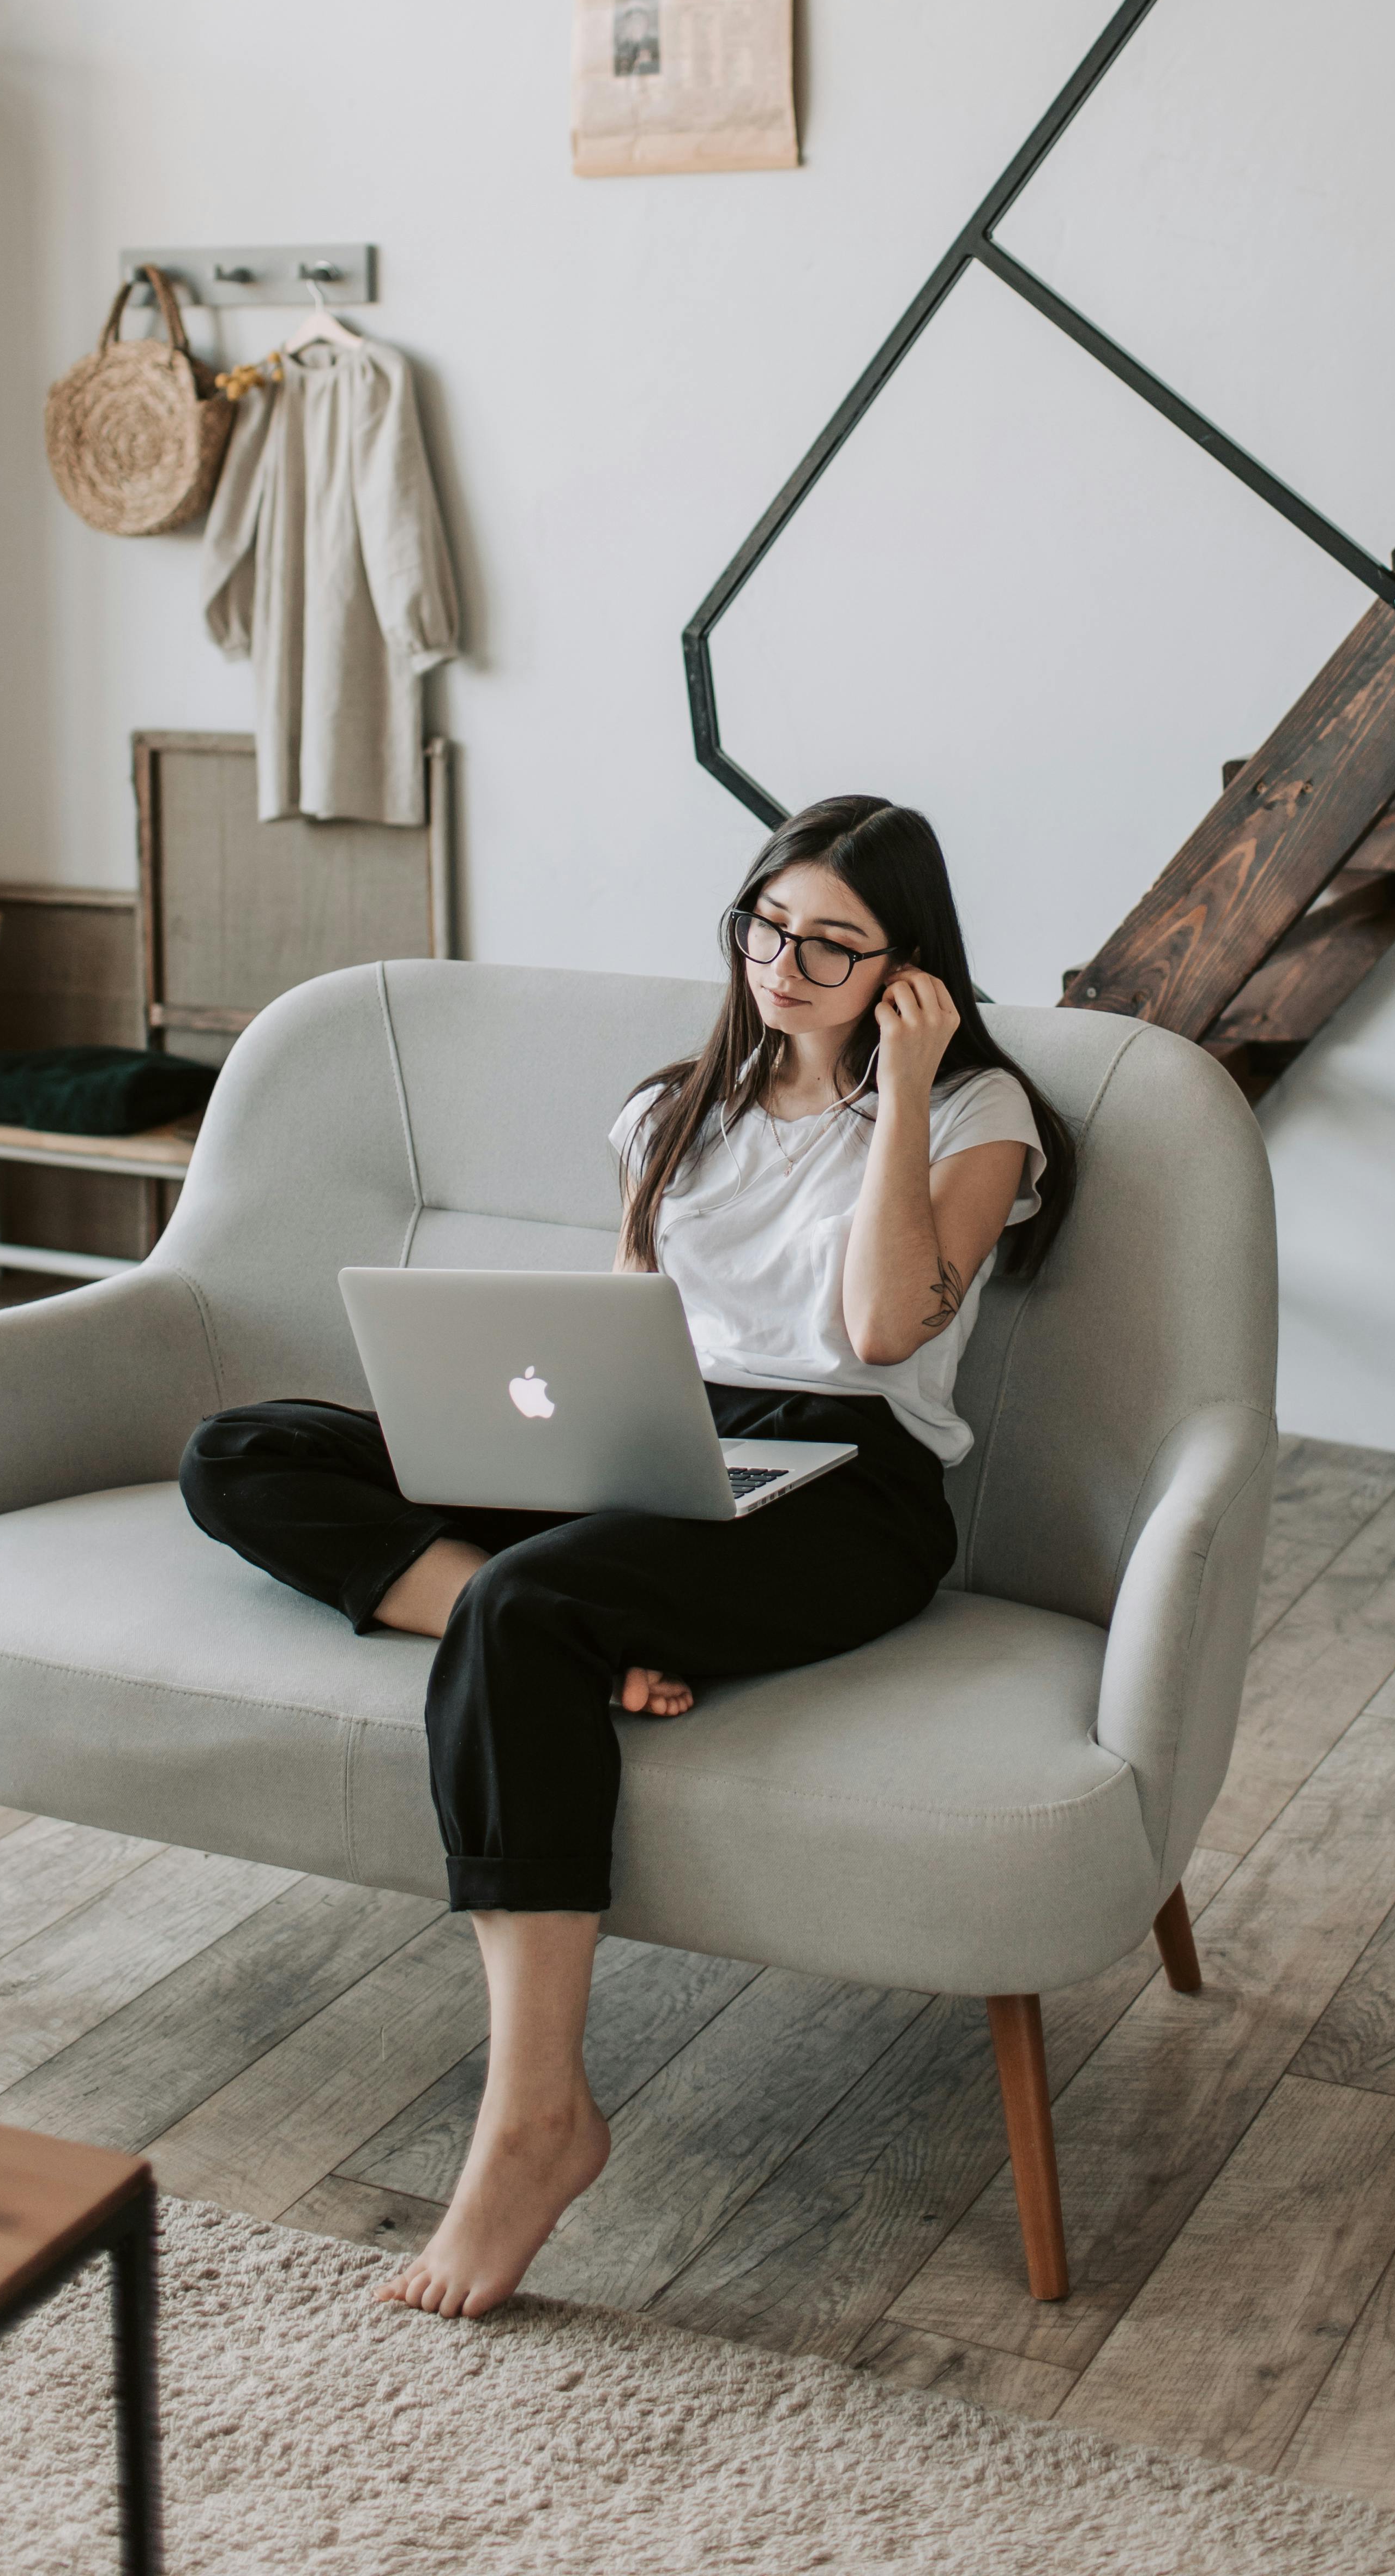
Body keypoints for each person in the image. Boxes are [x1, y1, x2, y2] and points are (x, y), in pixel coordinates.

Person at [178, 793, 1077, 2318]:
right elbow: (617, 1328)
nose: (784, 963)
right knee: (244, 1452)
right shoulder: (675, 1109)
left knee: (540, 1604)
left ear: (907, 967)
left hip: (851, 1483)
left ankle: (536, 2120)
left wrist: (908, 1086)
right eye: (767, 926)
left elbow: (878, 1330)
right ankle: (548, 1634)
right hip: (656, 1439)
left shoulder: (982, 1116)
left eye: (832, 944)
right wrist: (547, 1436)